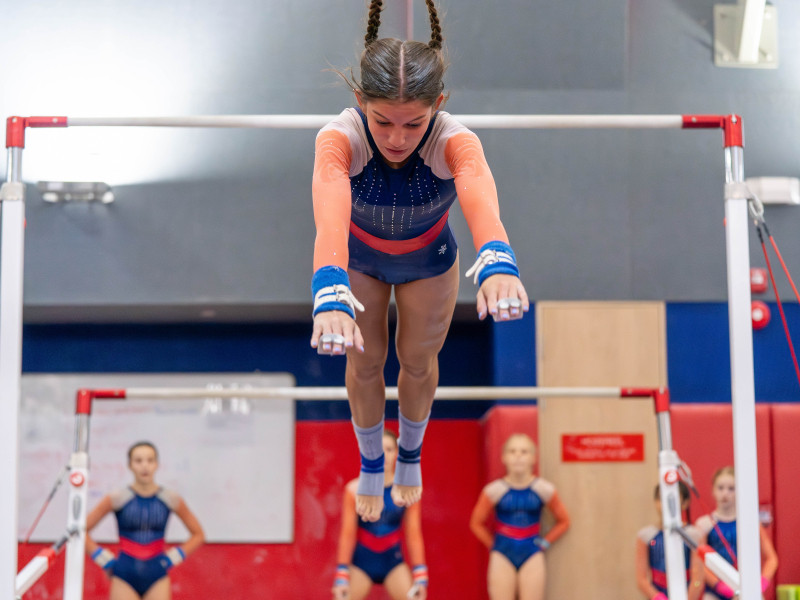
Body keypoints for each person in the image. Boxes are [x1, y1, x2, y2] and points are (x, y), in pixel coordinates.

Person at [310, 0, 529, 523]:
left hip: (430, 259)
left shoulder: (455, 140)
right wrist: (328, 285)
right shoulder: (339, 139)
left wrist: (498, 259)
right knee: (364, 362)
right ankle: (369, 462)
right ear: (361, 100)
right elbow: (330, 216)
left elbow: (479, 198)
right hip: (358, 259)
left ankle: (409, 453)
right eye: (383, 121)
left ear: (440, 104)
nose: (397, 139)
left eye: (414, 124)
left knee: (415, 361)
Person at [85, 442, 205, 600]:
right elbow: (81, 531)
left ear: (157, 464)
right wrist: (104, 560)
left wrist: (171, 559)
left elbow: (198, 534)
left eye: (150, 460)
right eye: (138, 461)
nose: (145, 466)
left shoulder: (170, 498)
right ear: (130, 465)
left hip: (157, 574)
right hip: (124, 575)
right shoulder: (117, 498)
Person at [469, 434, 569, 600]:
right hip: (502, 553)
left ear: (533, 458)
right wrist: (493, 545)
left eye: (524, 452)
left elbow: (564, 521)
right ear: (504, 457)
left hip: (532, 552)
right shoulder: (493, 491)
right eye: (512, 451)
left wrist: (544, 543)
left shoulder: (544, 489)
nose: (518, 456)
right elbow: (475, 523)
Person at [333, 429, 428, 600]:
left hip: (393, 562)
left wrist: (420, 575)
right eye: (379, 449)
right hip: (362, 563)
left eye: (390, 449)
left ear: (397, 454)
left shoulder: (408, 491)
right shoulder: (354, 490)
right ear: (371, 452)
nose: (384, 454)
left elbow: (413, 534)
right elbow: (347, 534)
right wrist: (341, 574)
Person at [695, 466, 778, 600]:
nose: (725, 493)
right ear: (713, 491)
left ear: (739, 491)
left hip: (746, 588)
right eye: (720, 488)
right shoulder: (704, 524)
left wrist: (760, 584)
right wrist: (718, 585)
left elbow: (772, 558)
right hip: (715, 592)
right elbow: (699, 562)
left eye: (731, 489)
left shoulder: (750, 523)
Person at [636, 482, 704, 600]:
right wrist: (658, 597)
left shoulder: (694, 535)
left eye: (672, 499)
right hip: (658, 593)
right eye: (660, 499)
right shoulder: (646, 536)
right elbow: (642, 580)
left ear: (685, 503)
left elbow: (697, 580)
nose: (665, 504)